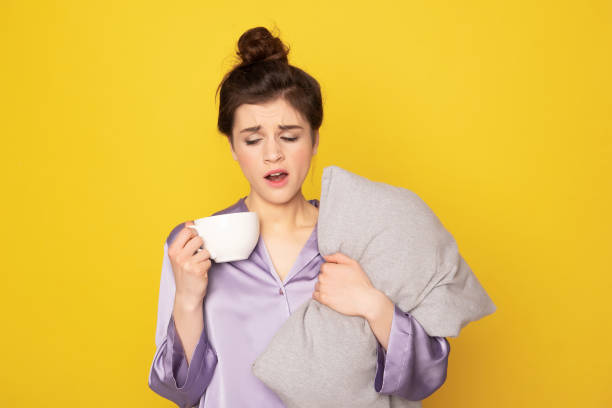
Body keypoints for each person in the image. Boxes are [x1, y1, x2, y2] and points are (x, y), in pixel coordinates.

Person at [148, 26, 450, 408]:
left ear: (315, 139)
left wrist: (374, 304)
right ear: (233, 148)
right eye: (253, 139)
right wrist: (188, 301)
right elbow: (179, 391)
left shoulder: (361, 237)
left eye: (289, 136)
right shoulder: (191, 246)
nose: (273, 154)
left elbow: (425, 374)